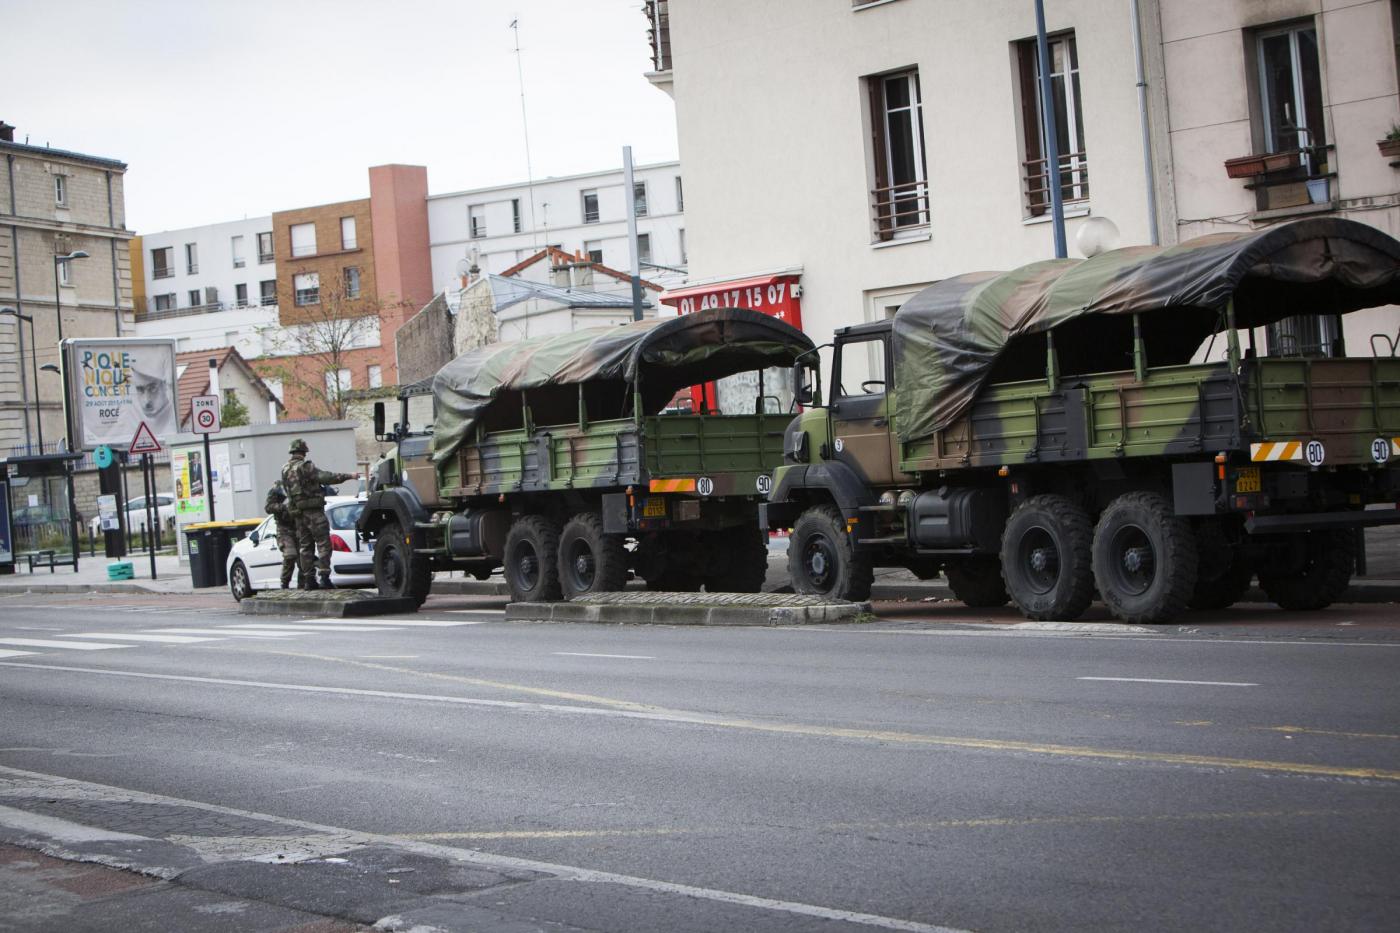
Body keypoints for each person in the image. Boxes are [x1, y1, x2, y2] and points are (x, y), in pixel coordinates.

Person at [281, 438, 356, 590]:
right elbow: (327, 477)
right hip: (314, 512)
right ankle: (324, 577)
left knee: (305, 546)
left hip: (299, 514)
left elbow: (287, 491)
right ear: (304, 451)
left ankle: (309, 579)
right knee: (323, 544)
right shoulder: (305, 466)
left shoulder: (285, 469)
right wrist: (349, 476)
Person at [263, 483, 299, 589]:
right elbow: (268, 507)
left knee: (304, 558)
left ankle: (304, 583)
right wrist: (283, 507)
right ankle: (285, 582)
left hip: (299, 527)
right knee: (290, 555)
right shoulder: (278, 488)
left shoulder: (300, 483)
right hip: (284, 529)